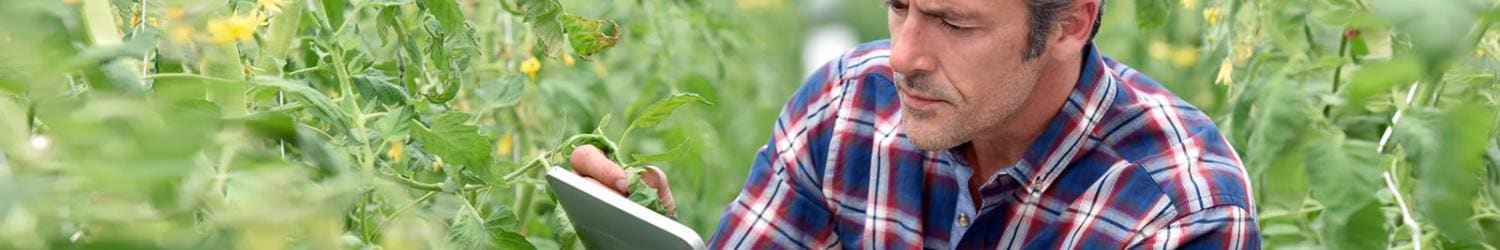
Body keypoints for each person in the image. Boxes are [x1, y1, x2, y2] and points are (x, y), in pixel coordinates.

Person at [571, 0, 1259, 248]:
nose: (902, 57)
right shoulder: (844, 110)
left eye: (955, 23)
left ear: (1070, 24)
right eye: (899, 7)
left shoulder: (1176, 216)